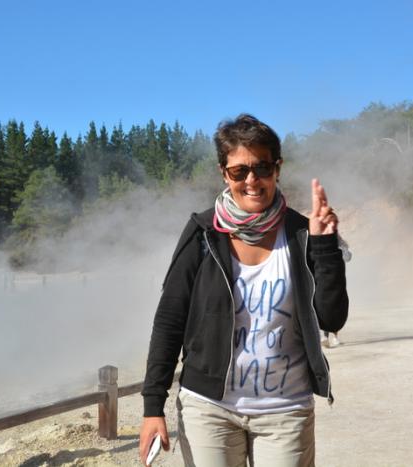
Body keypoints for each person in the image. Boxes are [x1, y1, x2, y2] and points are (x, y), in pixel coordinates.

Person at [139, 114, 349, 467]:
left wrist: (325, 246)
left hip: (286, 410)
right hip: (209, 409)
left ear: (277, 168)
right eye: (239, 171)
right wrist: (151, 408)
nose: (252, 180)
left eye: (262, 168)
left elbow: (332, 318)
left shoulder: (301, 233)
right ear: (224, 173)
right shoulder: (202, 233)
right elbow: (169, 322)